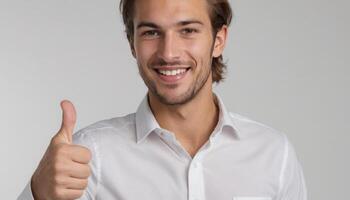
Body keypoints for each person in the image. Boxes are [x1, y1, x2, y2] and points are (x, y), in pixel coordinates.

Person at [18, 0, 307, 199]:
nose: (169, 52)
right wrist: (38, 193)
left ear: (218, 40)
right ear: (132, 43)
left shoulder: (274, 154)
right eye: (151, 32)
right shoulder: (89, 156)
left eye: (188, 30)